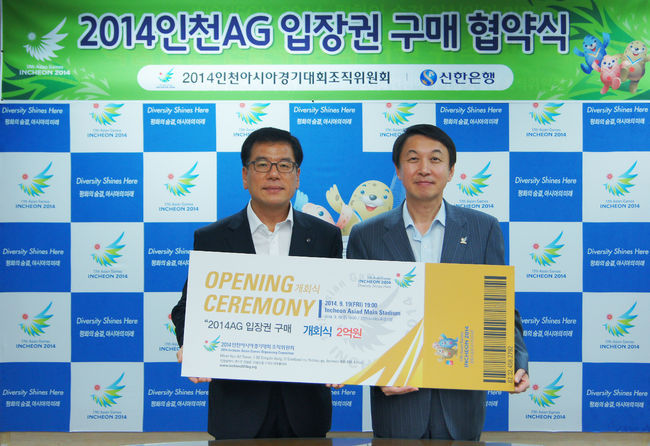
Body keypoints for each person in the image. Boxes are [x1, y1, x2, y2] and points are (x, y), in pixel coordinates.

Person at [346, 124, 529, 441]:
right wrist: (376, 373)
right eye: (413, 159)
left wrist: (514, 361)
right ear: (398, 170)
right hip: (397, 402)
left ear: (451, 170)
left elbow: (499, 308)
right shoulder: (366, 235)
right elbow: (356, 317)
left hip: (461, 401)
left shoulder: (483, 229)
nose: (424, 168)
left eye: (435, 159)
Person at [171, 127, 343, 439]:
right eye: (262, 164)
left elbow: (337, 308)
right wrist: (193, 346)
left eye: (284, 165)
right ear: (245, 176)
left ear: (297, 176)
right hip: (238, 406)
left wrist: (341, 353)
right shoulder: (213, 238)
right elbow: (187, 308)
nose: (273, 174)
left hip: (305, 407)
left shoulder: (325, 236)